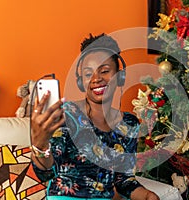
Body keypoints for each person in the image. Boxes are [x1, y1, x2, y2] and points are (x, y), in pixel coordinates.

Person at [30, 33, 160, 200]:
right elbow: (46, 173)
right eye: (88, 74)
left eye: (104, 71)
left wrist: (148, 196)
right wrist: (40, 145)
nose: (96, 79)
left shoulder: (129, 123)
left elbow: (124, 181)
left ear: (120, 76)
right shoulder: (66, 115)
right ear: (80, 81)